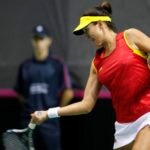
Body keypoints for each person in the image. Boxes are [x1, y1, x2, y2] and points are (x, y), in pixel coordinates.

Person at [31, 1, 150, 150]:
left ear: (100, 24)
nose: (87, 36)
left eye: (87, 30)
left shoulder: (130, 36)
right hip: (124, 124)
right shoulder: (96, 63)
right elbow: (86, 105)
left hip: (148, 114)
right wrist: (48, 113)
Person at [15, 24, 73, 150]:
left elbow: (68, 93)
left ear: (48, 41)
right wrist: (30, 108)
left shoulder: (58, 65)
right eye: (35, 39)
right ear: (32, 41)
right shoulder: (25, 66)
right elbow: (19, 93)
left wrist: (52, 113)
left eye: (41, 38)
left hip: (50, 122)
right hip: (28, 122)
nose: (38, 42)